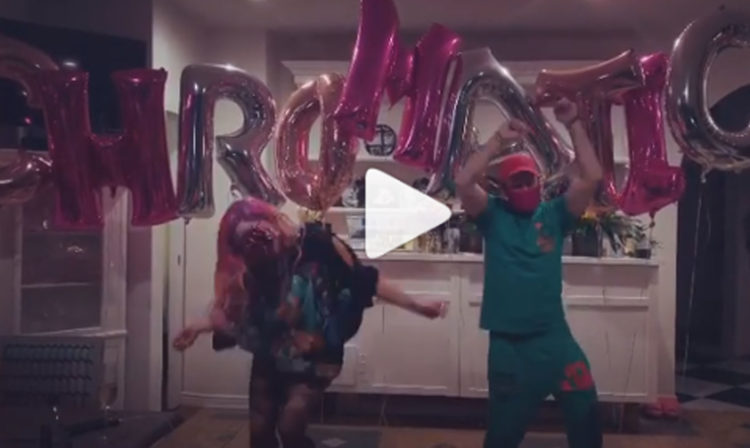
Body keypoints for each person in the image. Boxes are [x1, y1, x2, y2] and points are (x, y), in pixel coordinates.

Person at [173, 198, 446, 448]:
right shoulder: (248, 261)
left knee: (290, 426)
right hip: (270, 353)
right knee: (260, 430)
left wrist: (417, 304)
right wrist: (201, 325)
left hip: (316, 357)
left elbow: (365, 280)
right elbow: (239, 311)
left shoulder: (319, 243)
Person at [455, 99, 604, 448]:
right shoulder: (492, 215)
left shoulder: (555, 214)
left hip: (555, 340)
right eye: (516, 182)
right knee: (504, 433)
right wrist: (498, 140)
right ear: (505, 189)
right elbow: (463, 181)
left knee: (585, 409)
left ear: (539, 180)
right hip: (509, 347)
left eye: (528, 180)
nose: (524, 187)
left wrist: (574, 122)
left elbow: (592, 176)